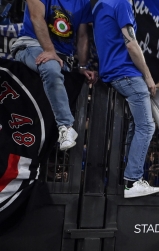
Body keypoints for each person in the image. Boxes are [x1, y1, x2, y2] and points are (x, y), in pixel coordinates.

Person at [92, 0, 159, 198]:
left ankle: (128, 178)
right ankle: (133, 181)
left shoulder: (100, 5)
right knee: (147, 126)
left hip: (111, 72)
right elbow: (131, 44)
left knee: (136, 124)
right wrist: (147, 75)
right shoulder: (121, 2)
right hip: (126, 74)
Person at [11, 0, 97, 151]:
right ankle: (66, 127)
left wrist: (82, 66)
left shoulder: (82, 2)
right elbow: (36, 16)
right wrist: (50, 50)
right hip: (32, 45)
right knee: (51, 68)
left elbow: (82, 35)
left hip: (63, 57)